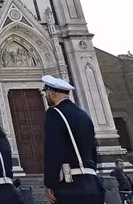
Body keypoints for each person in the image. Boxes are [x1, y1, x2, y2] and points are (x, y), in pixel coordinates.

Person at [42, 75, 106, 204]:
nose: (45, 96)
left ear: (52, 93)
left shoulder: (54, 113)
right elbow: (93, 148)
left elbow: (53, 149)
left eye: (46, 92)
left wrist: (50, 183)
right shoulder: (84, 114)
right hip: (93, 183)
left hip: (71, 187)